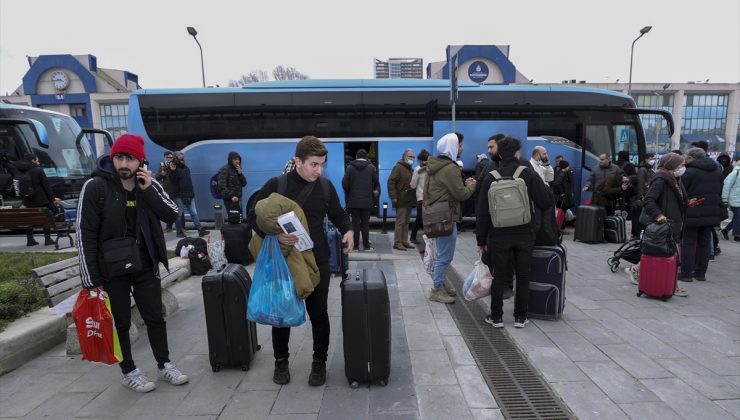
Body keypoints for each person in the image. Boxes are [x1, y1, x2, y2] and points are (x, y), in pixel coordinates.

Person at [76, 134, 187, 393]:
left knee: (155, 317)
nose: (124, 164)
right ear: (112, 158)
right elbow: (85, 233)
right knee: (122, 322)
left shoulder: (149, 184)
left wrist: (148, 190)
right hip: (111, 269)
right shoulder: (95, 187)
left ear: (140, 161)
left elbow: (171, 214)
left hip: (145, 262)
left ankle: (164, 364)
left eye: (130, 158)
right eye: (119, 157)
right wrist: (90, 281)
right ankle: (128, 370)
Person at [247, 136, 353, 387]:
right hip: (284, 262)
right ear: (298, 161)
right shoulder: (277, 185)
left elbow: (338, 214)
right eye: (314, 164)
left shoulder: (326, 187)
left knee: (319, 314)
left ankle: (319, 363)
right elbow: (253, 216)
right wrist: (274, 233)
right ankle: (280, 362)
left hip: (317, 261)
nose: (319, 170)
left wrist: (347, 230)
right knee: (281, 314)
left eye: (322, 164)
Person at [476, 137, 552, 328]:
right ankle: (520, 317)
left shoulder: (491, 176)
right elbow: (545, 201)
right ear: (517, 153)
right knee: (523, 275)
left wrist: (481, 238)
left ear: (499, 153)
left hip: (499, 234)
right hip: (524, 233)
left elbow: (482, 211)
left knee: (499, 275)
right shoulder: (527, 173)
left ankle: (496, 316)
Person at [624, 152, 689, 297]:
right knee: (672, 254)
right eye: (681, 165)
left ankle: (637, 270)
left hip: (674, 223)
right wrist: (659, 215)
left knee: (665, 253)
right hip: (665, 224)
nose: (683, 168)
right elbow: (649, 201)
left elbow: (678, 199)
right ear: (672, 165)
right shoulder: (661, 179)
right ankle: (672, 284)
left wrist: (687, 203)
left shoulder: (676, 179)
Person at [425, 133, 477, 304]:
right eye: (460, 145)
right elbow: (460, 195)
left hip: (436, 214)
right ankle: (436, 289)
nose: (461, 148)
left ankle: (442, 283)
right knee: (445, 256)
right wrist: (471, 186)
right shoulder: (450, 168)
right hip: (446, 216)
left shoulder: (434, 165)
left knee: (442, 254)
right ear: (453, 147)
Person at [679, 147, 723, 282]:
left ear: (692, 157)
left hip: (693, 211)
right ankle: (700, 273)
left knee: (688, 242)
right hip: (711, 212)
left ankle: (686, 273)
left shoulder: (689, 172)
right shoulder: (717, 170)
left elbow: (682, 191)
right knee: (704, 243)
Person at [342, 149, 379, 251]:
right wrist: (373, 191)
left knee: (355, 224)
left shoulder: (350, 168)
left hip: (354, 201)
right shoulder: (371, 168)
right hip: (367, 201)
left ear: (356, 157)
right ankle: (366, 246)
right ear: (366, 157)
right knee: (365, 224)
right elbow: (376, 182)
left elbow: (344, 183)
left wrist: (349, 193)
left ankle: (356, 246)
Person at [15, 153, 55, 246]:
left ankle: (30, 240)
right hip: (41, 200)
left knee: (30, 219)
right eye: (37, 160)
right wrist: (52, 198)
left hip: (27, 201)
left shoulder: (20, 170)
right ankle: (48, 239)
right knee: (46, 218)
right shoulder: (38, 170)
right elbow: (46, 185)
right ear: (33, 160)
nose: (38, 162)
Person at [169, 152, 209, 238]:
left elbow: (188, 182)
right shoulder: (173, 169)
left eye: (183, 158)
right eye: (181, 158)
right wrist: (173, 171)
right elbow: (173, 182)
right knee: (179, 214)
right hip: (179, 195)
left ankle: (200, 230)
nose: (183, 160)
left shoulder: (186, 168)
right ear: (176, 159)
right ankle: (179, 232)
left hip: (188, 194)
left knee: (194, 213)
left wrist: (191, 194)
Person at [387, 148, 416, 250]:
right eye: (410, 156)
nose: (412, 158)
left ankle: (404, 241)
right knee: (400, 221)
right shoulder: (398, 167)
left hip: (409, 199)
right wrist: (393, 197)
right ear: (405, 157)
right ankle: (397, 242)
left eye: (413, 156)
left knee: (407, 222)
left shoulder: (410, 168)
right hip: (401, 199)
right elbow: (391, 182)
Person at [631, 153, 656, 239]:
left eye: (653, 158)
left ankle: (639, 233)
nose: (653, 160)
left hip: (647, 195)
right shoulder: (642, 169)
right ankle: (636, 234)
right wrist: (641, 196)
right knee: (639, 215)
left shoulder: (650, 169)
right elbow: (641, 184)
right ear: (646, 159)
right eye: (651, 158)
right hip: (643, 196)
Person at [217, 151, 248, 219]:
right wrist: (231, 196)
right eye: (235, 159)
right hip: (230, 200)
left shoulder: (237, 170)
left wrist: (240, 173)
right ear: (231, 160)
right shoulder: (225, 169)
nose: (237, 161)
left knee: (238, 218)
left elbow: (244, 183)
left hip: (237, 199)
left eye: (238, 159)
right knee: (234, 218)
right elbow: (221, 186)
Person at [409, 149, 430, 244]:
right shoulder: (432, 168)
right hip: (431, 198)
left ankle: (415, 237)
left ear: (420, 160)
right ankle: (417, 237)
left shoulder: (417, 170)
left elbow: (413, 185)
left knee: (420, 218)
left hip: (421, 198)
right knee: (424, 218)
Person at [155, 151, 175, 232]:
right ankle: (169, 227)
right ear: (164, 158)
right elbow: (157, 177)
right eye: (167, 157)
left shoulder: (174, 164)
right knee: (168, 208)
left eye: (170, 157)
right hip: (166, 190)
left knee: (179, 208)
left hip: (175, 190)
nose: (168, 159)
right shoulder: (162, 166)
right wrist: (161, 175)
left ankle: (182, 227)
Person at [721, 157, 740, 242]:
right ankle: (737, 235)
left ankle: (725, 230)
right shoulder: (735, 173)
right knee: (738, 216)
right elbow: (726, 186)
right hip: (735, 199)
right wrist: (725, 199)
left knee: (737, 217)